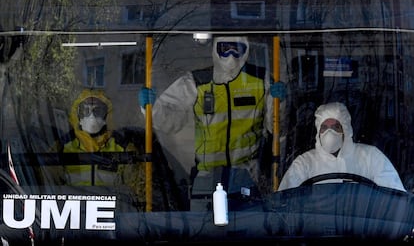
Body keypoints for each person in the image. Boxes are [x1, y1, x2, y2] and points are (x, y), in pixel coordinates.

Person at [139, 35, 286, 210]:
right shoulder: (197, 81)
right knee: (204, 231)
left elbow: (277, 127)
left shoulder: (261, 81)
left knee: (247, 229)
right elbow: (170, 122)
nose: (231, 55)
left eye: (237, 48)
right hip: (206, 175)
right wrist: (151, 107)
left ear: (245, 50)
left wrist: (281, 104)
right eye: (225, 48)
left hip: (247, 174)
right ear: (215, 50)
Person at [278, 101, 406, 192]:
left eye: (335, 127)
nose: (329, 132)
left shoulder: (371, 157)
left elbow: (395, 199)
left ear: (346, 129)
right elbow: (285, 202)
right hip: (314, 229)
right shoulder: (304, 163)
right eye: (324, 127)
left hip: (363, 229)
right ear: (318, 132)